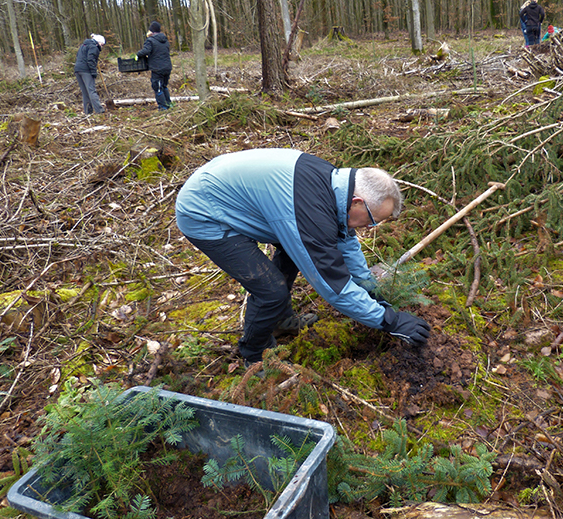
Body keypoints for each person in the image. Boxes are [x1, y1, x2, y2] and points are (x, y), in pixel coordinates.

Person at [175, 148, 431, 366]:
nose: (369, 228)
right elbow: (334, 286)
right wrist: (389, 320)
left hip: (233, 191)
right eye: (373, 221)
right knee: (270, 291)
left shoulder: (334, 185)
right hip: (205, 212)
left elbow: (346, 242)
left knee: (292, 251)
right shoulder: (310, 211)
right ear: (356, 202)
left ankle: (279, 320)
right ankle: (255, 354)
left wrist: (370, 289)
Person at [134, 21, 172, 111]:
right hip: (167, 67)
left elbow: (146, 51)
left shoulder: (150, 40)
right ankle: (169, 105)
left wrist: (138, 55)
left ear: (151, 31)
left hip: (158, 68)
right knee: (164, 86)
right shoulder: (165, 40)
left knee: (158, 88)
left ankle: (163, 108)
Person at [74, 34, 106, 114]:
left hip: (78, 70)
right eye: (102, 44)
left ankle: (88, 111)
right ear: (99, 42)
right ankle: (99, 110)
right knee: (91, 91)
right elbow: (90, 60)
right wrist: (93, 72)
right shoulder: (94, 47)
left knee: (85, 92)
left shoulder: (83, 45)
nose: (102, 47)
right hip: (86, 71)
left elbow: (79, 57)